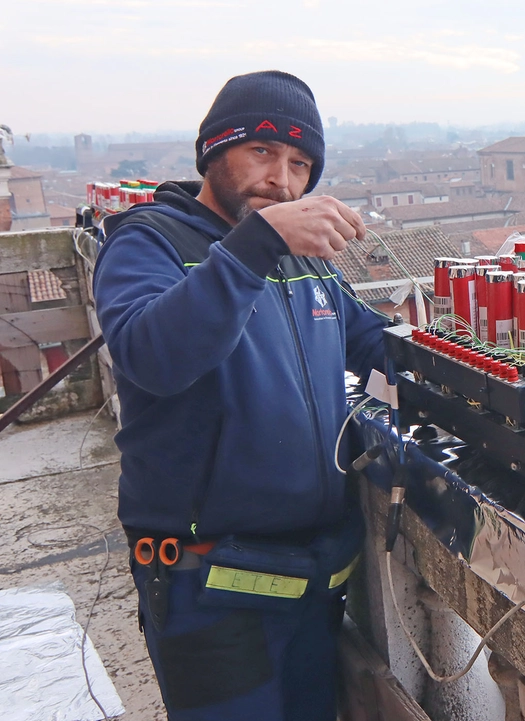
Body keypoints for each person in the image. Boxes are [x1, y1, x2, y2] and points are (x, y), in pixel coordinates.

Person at [94, 71, 387, 720]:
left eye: (299, 163)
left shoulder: (305, 260)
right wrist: (258, 245)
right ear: (213, 151)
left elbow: (376, 345)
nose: (280, 180)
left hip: (310, 586)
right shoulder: (148, 241)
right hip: (209, 594)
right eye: (262, 151)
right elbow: (153, 356)